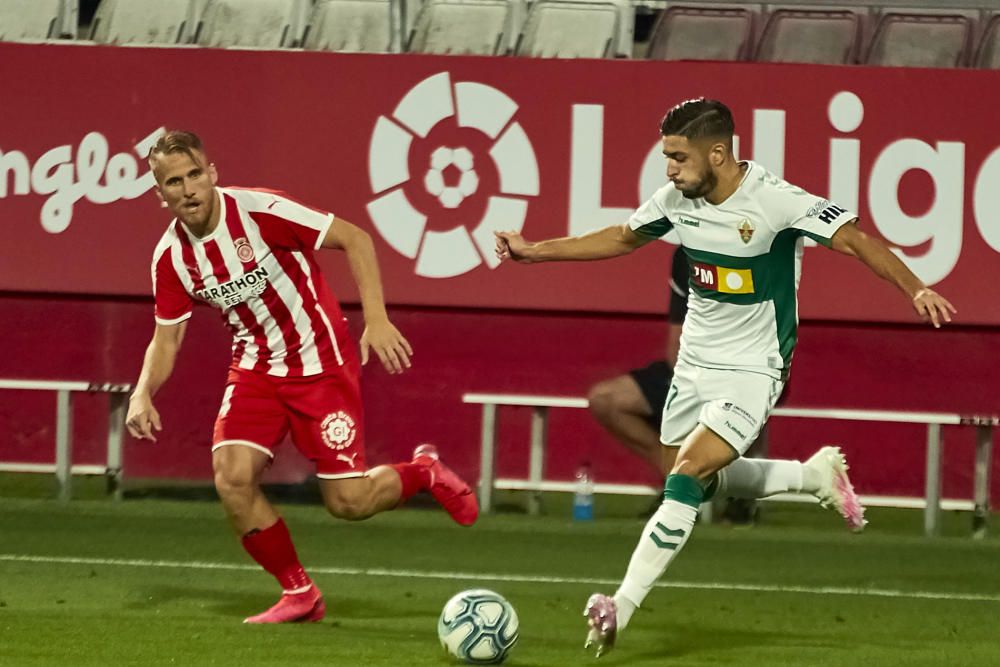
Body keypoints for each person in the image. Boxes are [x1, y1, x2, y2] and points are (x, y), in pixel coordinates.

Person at [495, 98, 955, 657]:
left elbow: (855, 239)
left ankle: (621, 604)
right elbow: (621, 236)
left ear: (718, 152)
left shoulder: (776, 202)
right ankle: (812, 478)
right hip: (693, 367)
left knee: (686, 477)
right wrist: (534, 253)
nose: (669, 169)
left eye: (678, 157)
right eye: (665, 156)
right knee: (686, 479)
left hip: (754, 367)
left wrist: (917, 288)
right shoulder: (676, 201)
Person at [125, 130, 478, 625]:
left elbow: (355, 238)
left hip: (321, 364)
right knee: (231, 479)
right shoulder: (171, 259)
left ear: (212, 174)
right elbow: (167, 339)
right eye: (173, 182)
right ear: (158, 193)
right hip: (255, 369)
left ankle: (423, 471)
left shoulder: (260, 211)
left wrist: (375, 318)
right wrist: (143, 391)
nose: (188, 190)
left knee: (349, 503)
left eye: (194, 175)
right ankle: (300, 592)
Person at [588, 247, 774, 525]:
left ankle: (741, 496)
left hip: (749, 366)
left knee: (744, 397)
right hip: (691, 367)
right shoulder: (685, 256)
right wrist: (691, 386)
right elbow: (676, 341)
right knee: (606, 399)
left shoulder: (757, 253)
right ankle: (679, 484)